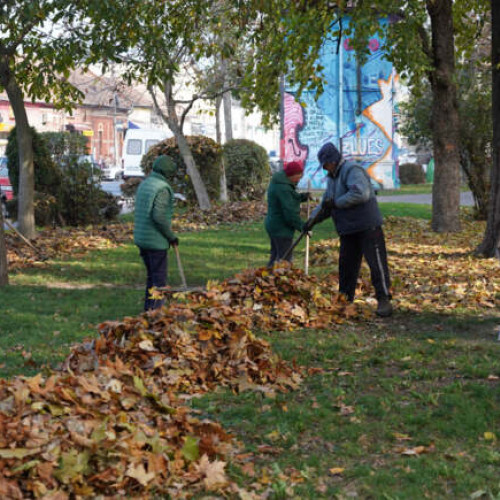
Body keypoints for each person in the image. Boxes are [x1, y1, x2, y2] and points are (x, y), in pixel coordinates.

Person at [305, 142, 393, 317]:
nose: (324, 168)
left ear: (334, 160)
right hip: (348, 229)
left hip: (367, 226)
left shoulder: (352, 170)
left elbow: (360, 193)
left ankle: (384, 300)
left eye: (326, 164)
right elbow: (326, 204)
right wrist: (311, 220)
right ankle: (345, 300)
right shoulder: (331, 178)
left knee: (376, 265)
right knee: (346, 267)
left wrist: (336, 203)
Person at [134, 155, 179, 311]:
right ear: (168, 173)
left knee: (151, 278)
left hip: (142, 239)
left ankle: (148, 311)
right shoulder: (162, 188)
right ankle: (156, 317)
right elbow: (159, 216)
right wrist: (171, 237)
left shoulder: (145, 184)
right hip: (155, 241)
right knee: (159, 282)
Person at [265, 161, 309, 266]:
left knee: (276, 257)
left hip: (273, 225)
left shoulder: (280, 182)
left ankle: (267, 278)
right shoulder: (283, 188)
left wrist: (302, 197)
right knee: (285, 261)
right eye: (298, 177)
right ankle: (280, 280)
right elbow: (290, 213)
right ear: (291, 175)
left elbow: (290, 197)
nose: (299, 180)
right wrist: (303, 227)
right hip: (281, 228)